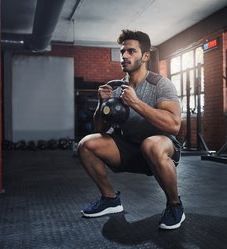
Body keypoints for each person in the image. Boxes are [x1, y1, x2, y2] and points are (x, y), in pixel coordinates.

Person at [77, 29, 185, 230]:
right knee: (86, 144)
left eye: (131, 51)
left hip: (159, 147)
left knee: (151, 144)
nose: (125, 56)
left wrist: (136, 104)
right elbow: (99, 128)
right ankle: (110, 200)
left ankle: (175, 205)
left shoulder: (161, 84)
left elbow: (174, 125)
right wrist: (102, 104)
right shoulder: (116, 88)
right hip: (130, 148)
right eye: (122, 52)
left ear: (145, 56)